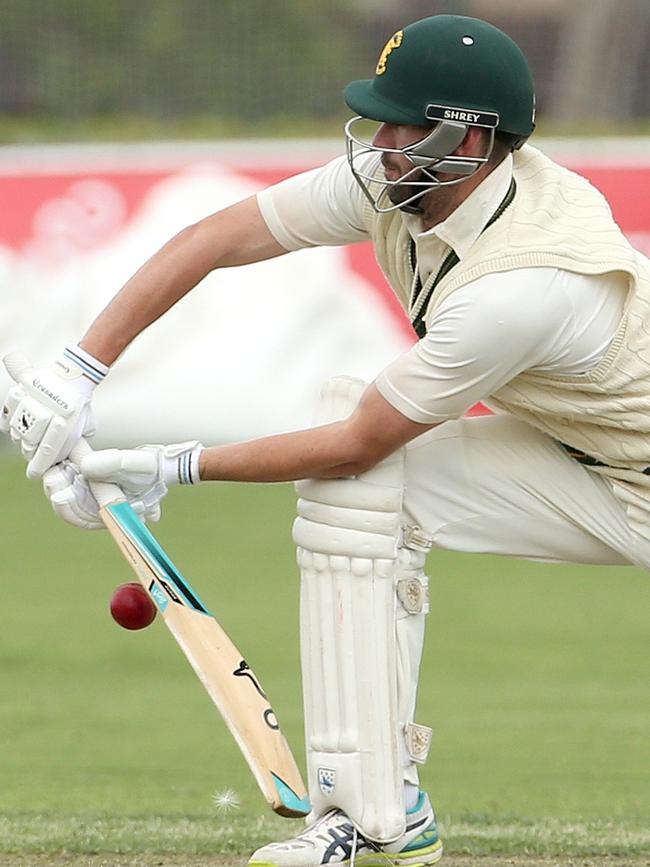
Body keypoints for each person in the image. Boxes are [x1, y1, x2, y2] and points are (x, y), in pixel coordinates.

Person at [3, 12, 650, 867]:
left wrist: (168, 463)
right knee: (370, 499)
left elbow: (356, 438)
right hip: (581, 458)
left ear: (471, 137)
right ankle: (378, 806)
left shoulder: (524, 287)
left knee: (358, 464)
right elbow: (213, 238)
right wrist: (79, 370)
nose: (381, 139)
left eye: (403, 121)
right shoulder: (395, 180)